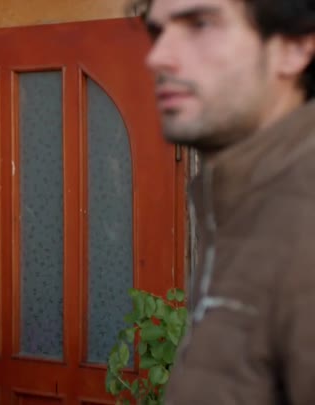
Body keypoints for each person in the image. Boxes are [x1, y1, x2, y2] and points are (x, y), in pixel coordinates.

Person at [138, 0, 315, 403]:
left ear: (295, 48)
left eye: (200, 24)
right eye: (157, 31)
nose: (158, 57)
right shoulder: (242, 200)